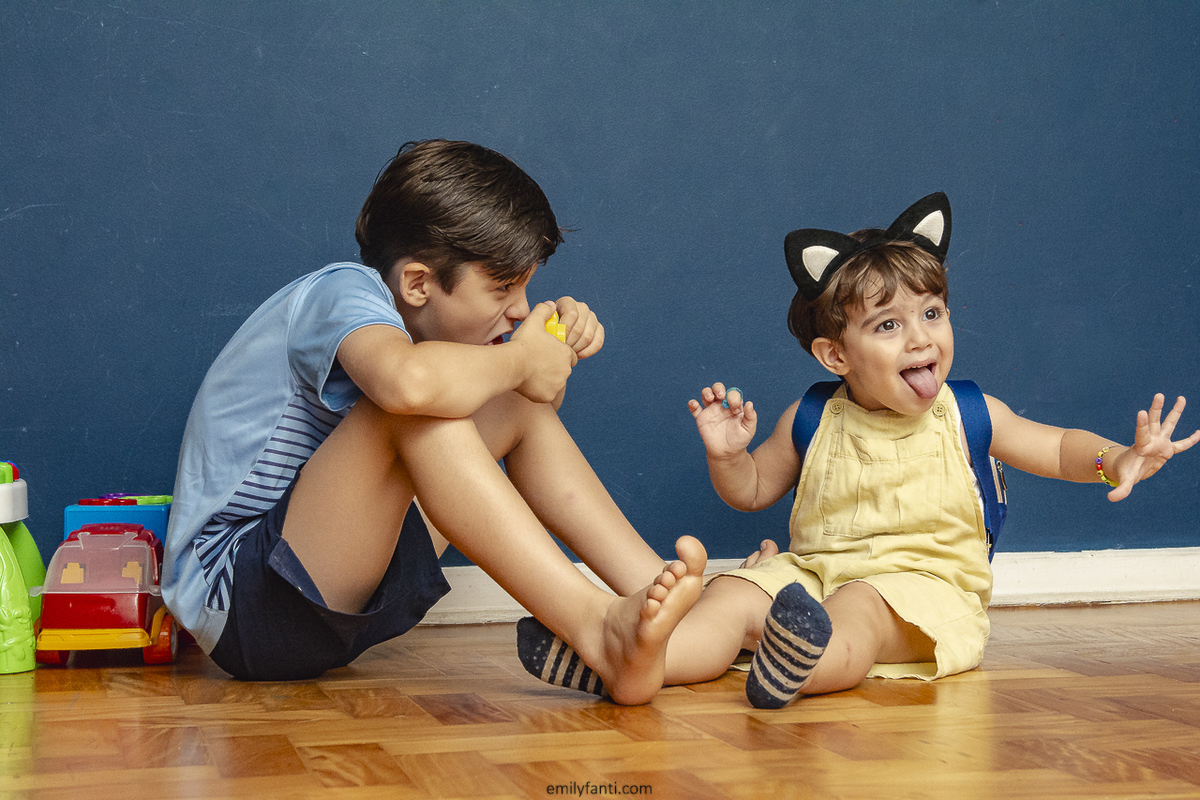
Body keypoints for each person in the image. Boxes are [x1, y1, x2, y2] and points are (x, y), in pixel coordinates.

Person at [517, 191, 1198, 708]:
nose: (920, 339)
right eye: (889, 325)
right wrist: (729, 456)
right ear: (834, 353)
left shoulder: (968, 412)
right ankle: (628, 658)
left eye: (932, 313)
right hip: (812, 581)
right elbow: (752, 491)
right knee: (729, 594)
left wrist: (1118, 457)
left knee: (861, 612)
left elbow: (1055, 449)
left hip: (921, 596)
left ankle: (796, 671)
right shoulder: (814, 416)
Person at [162, 139, 709, 704]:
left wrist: (547, 363)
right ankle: (594, 628)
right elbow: (408, 385)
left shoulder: (423, 342)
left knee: (517, 406)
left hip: (338, 586)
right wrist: (522, 359)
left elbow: (508, 419)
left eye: (526, 287)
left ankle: (676, 605)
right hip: (243, 601)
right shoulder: (340, 292)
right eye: (502, 288)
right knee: (416, 407)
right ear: (418, 283)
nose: (521, 308)